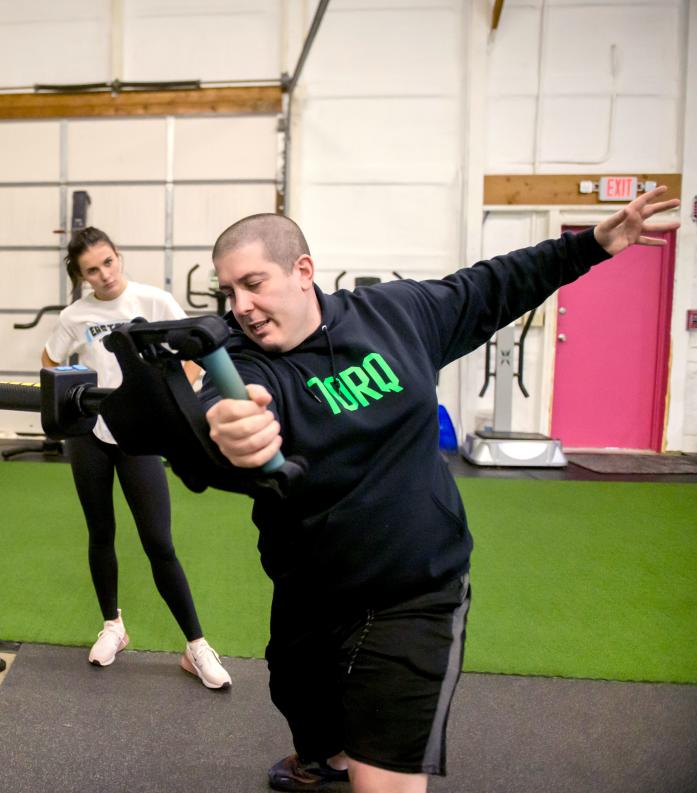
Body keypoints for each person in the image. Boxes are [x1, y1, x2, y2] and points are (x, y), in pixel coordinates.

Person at [200, 187, 680, 792]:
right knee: (297, 692)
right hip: (309, 589)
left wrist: (594, 244)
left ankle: (357, 760)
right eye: (230, 291)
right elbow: (218, 410)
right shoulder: (243, 360)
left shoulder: (398, 315)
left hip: (416, 584)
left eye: (253, 283)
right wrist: (228, 431)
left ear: (302, 272)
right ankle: (325, 756)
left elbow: (495, 282)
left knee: (386, 773)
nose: (240, 306)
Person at [43, 226, 232, 690]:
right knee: (100, 532)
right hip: (89, 435)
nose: (104, 274)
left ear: (118, 257)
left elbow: (194, 350)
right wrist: (69, 398)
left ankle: (196, 645)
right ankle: (113, 626)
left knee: (158, 541)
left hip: (139, 437)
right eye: (92, 269)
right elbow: (49, 363)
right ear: (81, 276)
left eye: (108, 262)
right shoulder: (75, 316)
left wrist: (176, 398)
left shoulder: (154, 302)